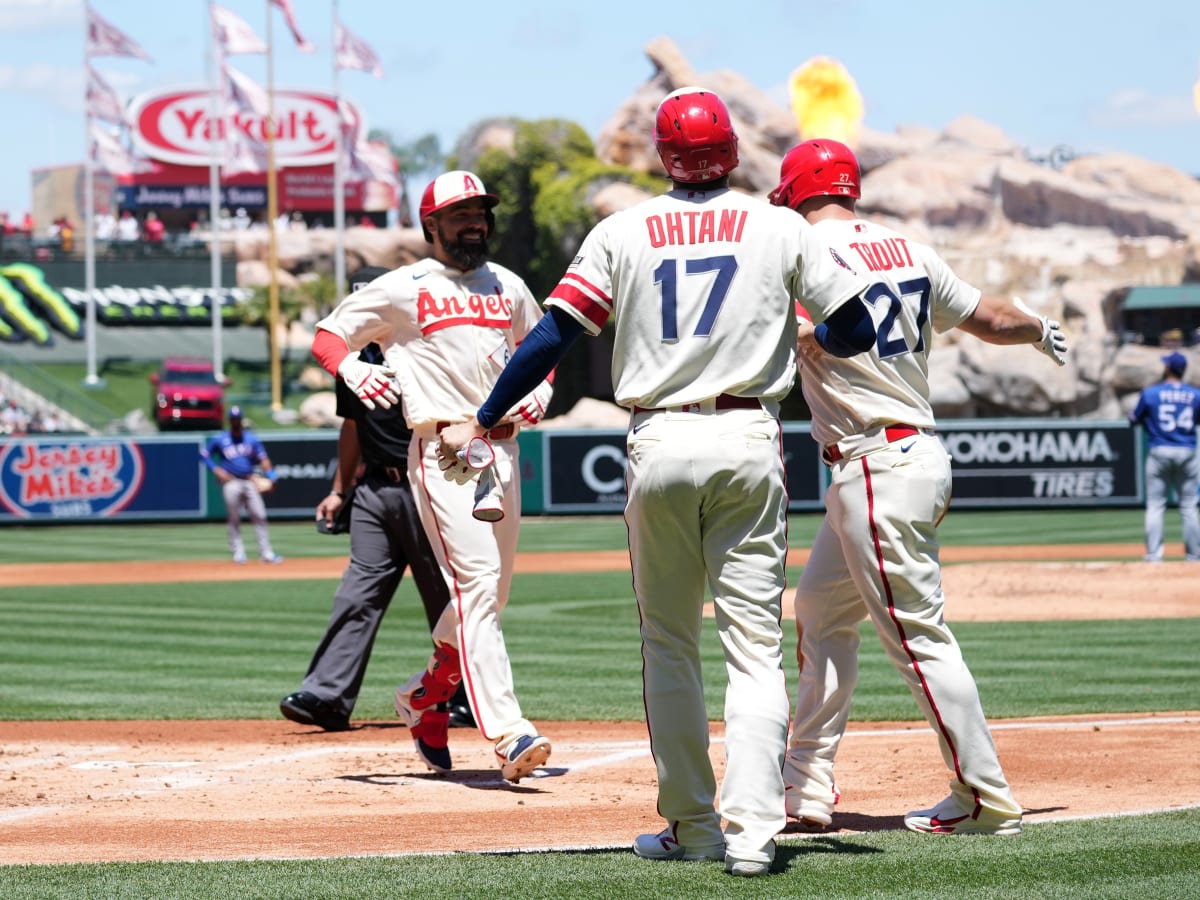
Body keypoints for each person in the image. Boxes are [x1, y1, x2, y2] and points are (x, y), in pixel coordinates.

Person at [438, 88, 876, 877]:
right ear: (734, 153)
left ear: (663, 155)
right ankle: (752, 835)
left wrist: (488, 410)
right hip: (748, 433)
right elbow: (857, 328)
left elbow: (554, 333)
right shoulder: (780, 225)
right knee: (755, 649)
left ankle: (693, 826)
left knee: (669, 642)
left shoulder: (622, 229)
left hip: (659, 436)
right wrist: (791, 327)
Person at [767, 138, 1069, 837]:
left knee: (918, 637)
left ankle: (984, 797)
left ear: (794, 191)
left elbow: (799, 332)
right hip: (907, 458)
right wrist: (1037, 327)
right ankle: (806, 785)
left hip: (876, 461)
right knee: (819, 609)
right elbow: (991, 317)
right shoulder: (907, 248)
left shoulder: (800, 251)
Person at [309, 169, 556, 783]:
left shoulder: (509, 285)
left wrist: (542, 392)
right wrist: (351, 371)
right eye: (460, 213)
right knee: (477, 586)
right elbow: (328, 335)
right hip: (443, 450)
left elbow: (542, 350)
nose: (475, 221)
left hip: (500, 451)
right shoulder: (403, 286)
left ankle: (424, 699)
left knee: (491, 595)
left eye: (480, 211)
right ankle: (508, 732)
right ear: (432, 225)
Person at [280, 267, 475, 746]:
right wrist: (339, 490)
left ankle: (468, 695)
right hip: (374, 492)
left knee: (445, 597)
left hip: (425, 484)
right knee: (357, 593)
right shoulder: (350, 361)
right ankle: (326, 695)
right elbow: (351, 427)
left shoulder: (422, 348)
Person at [1129, 351, 1200, 562]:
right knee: (1189, 506)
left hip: (1160, 450)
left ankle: (1154, 556)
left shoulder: (1151, 393)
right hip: (1187, 451)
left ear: (1168, 368)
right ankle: (1194, 556)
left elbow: (1134, 419)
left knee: (1155, 505)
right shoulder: (1195, 394)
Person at [201, 406, 283, 564]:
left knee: (260, 515)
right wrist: (216, 469)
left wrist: (271, 476)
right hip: (231, 482)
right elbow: (204, 454)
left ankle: (266, 553)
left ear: (241, 420)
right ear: (229, 420)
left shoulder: (251, 439)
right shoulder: (221, 438)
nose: (235, 421)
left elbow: (263, 459)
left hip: (249, 480)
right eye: (233, 419)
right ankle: (238, 552)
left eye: (238, 419)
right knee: (234, 518)